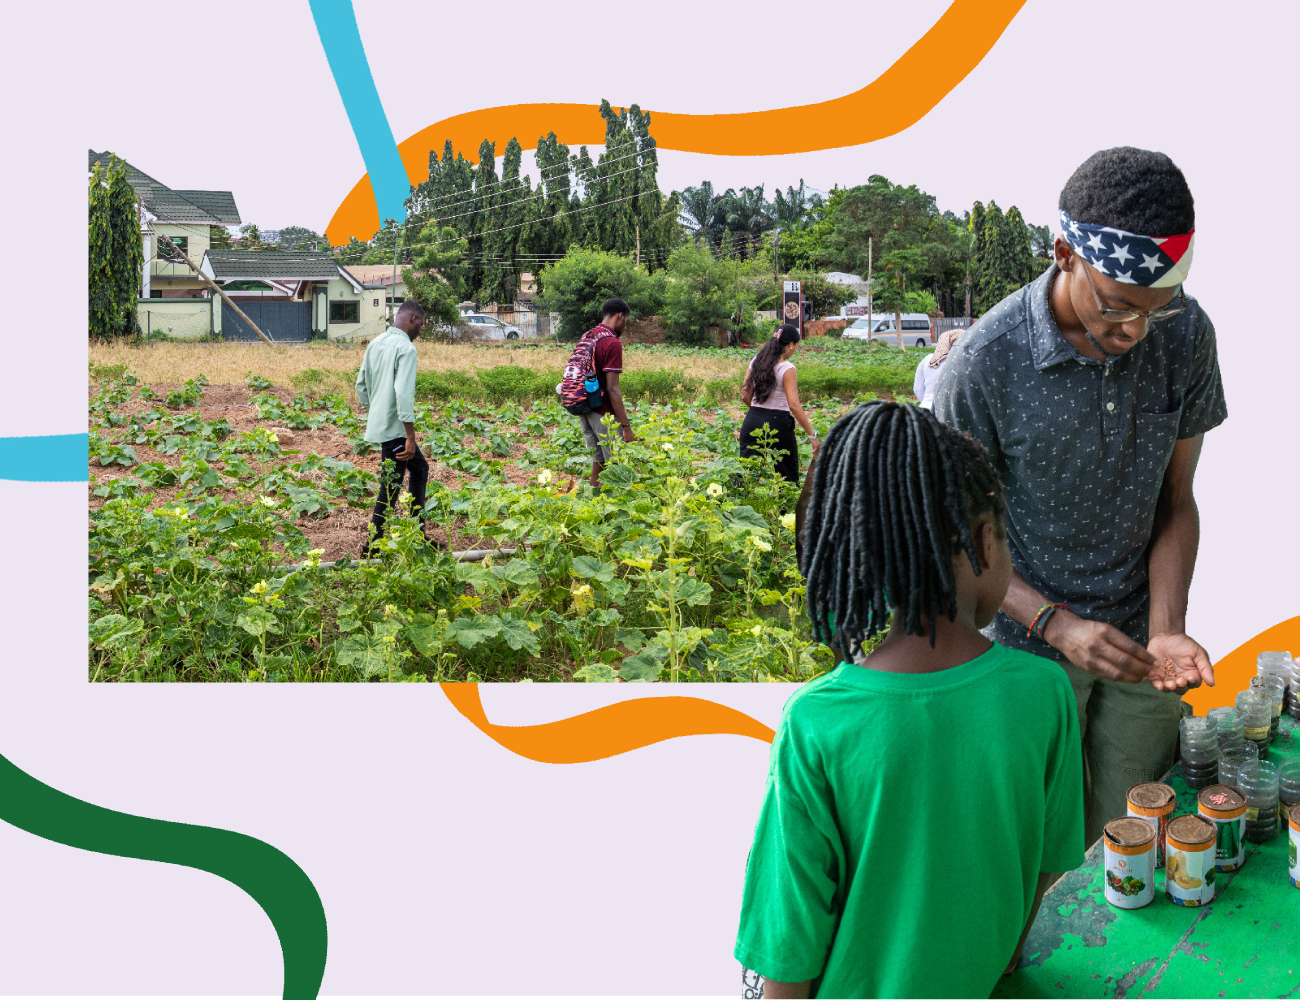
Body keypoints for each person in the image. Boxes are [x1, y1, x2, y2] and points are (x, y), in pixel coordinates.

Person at [735, 402, 1083, 998]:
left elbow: (788, 952)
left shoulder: (818, 722)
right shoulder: (1045, 692)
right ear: (983, 540)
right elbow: (1049, 861)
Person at [934, 147, 1226, 847]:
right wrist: (1056, 627)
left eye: (1155, 312)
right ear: (1064, 253)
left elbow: (1175, 499)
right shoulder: (984, 363)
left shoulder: (1185, 334)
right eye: (1118, 308)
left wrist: (1164, 628)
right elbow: (953, 531)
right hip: (1023, 648)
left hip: (1139, 644)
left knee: (1133, 832)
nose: (1134, 333)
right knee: (1033, 843)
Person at [355, 300, 429, 556]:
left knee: (419, 468)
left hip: (384, 424)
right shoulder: (406, 349)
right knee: (391, 486)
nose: (420, 330)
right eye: (420, 324)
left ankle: (417, 532)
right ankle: (372, 546)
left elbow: (361, 386)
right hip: (397, 429)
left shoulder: (376, 343)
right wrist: (410, 435)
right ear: (412, 319)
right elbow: (403, 393)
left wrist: (377, 409)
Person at [738, 323, 819, 482]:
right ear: (790, 344)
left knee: (746, 476)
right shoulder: (787, 368)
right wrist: (811, 435)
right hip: (778, 425)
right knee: (786, 477)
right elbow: (794, 405)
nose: (795, 349)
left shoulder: (757, 361)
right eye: (796, 345)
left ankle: (735, 505)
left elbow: (744, 396)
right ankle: (783, 508)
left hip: (752, 420)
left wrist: (758, 414)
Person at [570, 298, 636, 489]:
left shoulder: (588, 335)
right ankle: (612, 509)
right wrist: (626, 426)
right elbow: (612, 389)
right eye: (626, 321)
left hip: (583, 406)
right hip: (602, 412)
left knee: (598, 460)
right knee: (614, 464)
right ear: (620, 316)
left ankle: (593, 500)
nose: (625, 325)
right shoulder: (611, 342)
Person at [913, 327, 962, 409]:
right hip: (950, 414)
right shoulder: (962, 362)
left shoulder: (928, 359)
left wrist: (928, 401)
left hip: (925, 410)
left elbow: (917, 389)